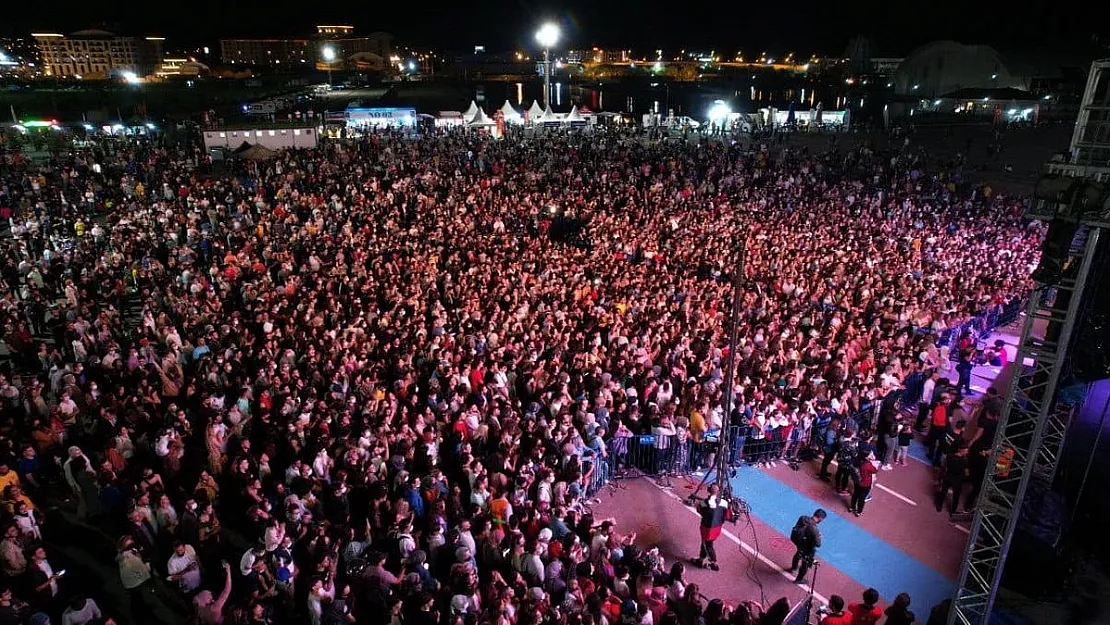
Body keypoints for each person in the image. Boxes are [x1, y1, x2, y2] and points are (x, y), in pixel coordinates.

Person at [693, 484, 732, 571]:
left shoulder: (703, 503)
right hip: (717, 528)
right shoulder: (724, 503)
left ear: (709, 491)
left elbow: (699, 511)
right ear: (718, 492)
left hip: (707, 529)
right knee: (706, 544)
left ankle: (714, 563)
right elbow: (728, 516)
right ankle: (700, 560)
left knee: (707, 545)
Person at [787, 509, 826, 584]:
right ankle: (799, 579)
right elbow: (818, 544)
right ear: (820, 518)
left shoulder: (803, 518)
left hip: (797, 540)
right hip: (807, 547)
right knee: (806, 563)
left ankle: (793, 567)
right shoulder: (814, 529)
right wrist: (819, 536)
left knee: (798, 552)